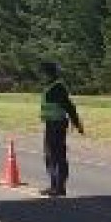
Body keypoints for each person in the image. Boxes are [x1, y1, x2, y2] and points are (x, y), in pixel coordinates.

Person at [38, 61, 85, 197]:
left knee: (57, 156)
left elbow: (69, 107)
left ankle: (59, 187)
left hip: (57, 125)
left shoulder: (57, 88)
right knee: (50, 156)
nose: (42, 76)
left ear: (49, 73)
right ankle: (54, 185)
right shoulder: (50, 87)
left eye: (43, 73)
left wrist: (77, 123)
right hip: (51, 125)